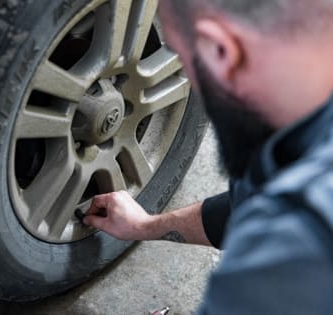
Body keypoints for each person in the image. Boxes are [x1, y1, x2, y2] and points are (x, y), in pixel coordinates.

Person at [83, 1, 333, 314]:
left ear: (220, 51)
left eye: (183, 57)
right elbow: (243, 205)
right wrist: (145, 226)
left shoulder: (294, 245)